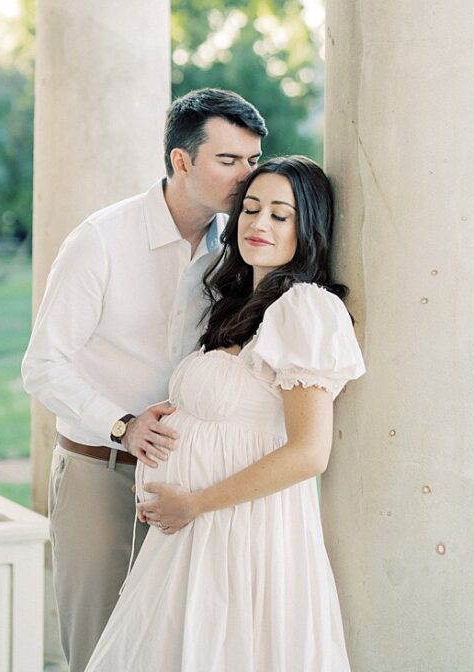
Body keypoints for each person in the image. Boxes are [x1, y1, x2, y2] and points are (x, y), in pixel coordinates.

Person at [84, 156, 366, 672]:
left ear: (310, 228)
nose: (259, 224)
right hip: (194, 534)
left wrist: (195, 500)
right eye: (251, 209)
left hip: (243, 530)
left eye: (281, 215)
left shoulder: (304, 307)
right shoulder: (240, 305)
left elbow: (309, 452)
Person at [21, 88, 267, 672]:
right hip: (98, 475)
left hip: (189, 483)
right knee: (99, 649)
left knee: (174, 650)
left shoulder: (236, 248)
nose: (246, 177)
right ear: (182, 162)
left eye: (253, 161)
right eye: (228, 160)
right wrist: (123, 427)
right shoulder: (100, 240)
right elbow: (43, 365)